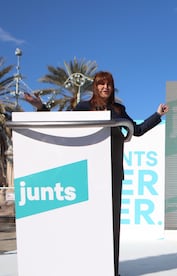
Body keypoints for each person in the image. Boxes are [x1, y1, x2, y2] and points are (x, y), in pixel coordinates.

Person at [24, 71, 168, 276]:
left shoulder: (119, 110)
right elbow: (63, 126)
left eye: (109, 84)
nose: (105, 87)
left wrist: (157, 115)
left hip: (113, 173)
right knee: (87, 224)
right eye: (101, 84)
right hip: (88, 172)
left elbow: (136, 130)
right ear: (95, 87)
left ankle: (111, 270)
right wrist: (40, 107)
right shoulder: (83, 107)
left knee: (112, 226)